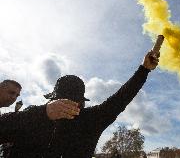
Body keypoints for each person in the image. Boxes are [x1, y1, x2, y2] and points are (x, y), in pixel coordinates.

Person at [7, 50, 159, 158]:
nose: (68, 108)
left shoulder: (91, 119)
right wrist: (42, 113)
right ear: (53, 101)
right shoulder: (34, 116)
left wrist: (143, 70)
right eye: (63, 103)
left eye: (73, 103)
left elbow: (120, 98)